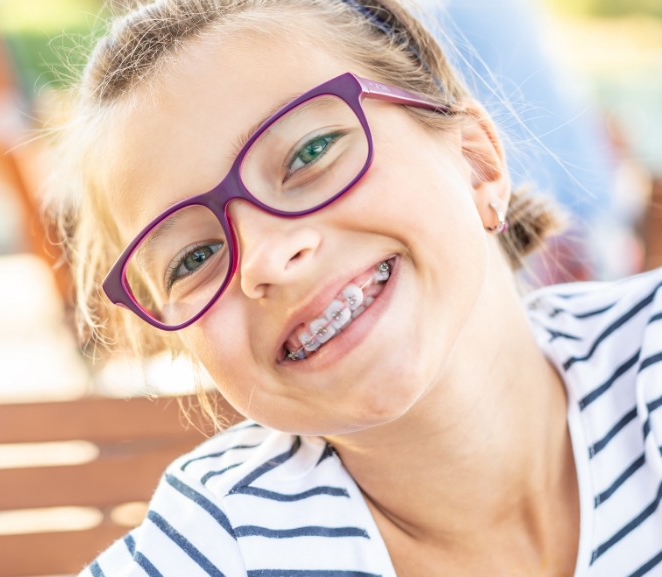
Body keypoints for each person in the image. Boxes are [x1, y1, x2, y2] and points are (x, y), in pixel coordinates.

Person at [56, 0, 662, 575]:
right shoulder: (219, 544)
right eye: (194, 257)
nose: (267, 257)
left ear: (477, 162)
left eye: (311, 152)